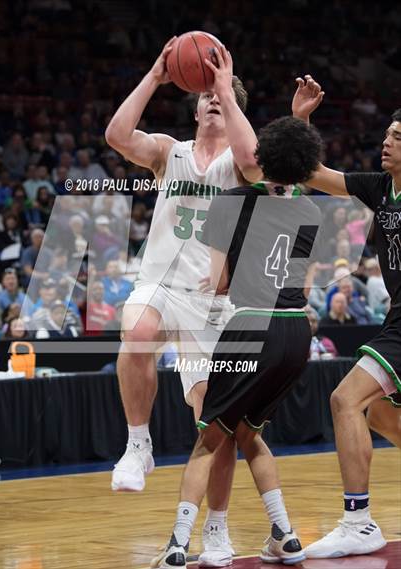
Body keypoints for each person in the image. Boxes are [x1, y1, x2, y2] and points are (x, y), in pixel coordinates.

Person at [105, 39, 260, 566]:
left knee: (214, 423)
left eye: (222, 97)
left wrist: (227, 89)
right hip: (159, 284)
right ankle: (138, 444)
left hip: (210, 303)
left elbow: (253, 160)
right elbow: (117, 135)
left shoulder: (238, 164)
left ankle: (216, 530)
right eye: (208, 96)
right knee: (138, 333)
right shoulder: (168, 153)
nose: (214, 102)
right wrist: (154, 75)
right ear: (194, 103)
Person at [154, 116, 323, 568]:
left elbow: (220, 281)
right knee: (250, 433)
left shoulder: (230, 202)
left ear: (260, 156)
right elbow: (298, 282)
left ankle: (176, 544)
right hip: (296, 331)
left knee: (209, 439)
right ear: (305, 164)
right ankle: (285, 534)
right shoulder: (311, 210)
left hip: (252, 326)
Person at [292, 76, 400, 557]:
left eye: (398, 138)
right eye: (386, 136)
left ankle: (358, 521)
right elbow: (313, 173)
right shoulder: (380, 189)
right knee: (375, 412)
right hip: (398, 320)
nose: (387, 142)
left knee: (344, 400)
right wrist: (300, 121)